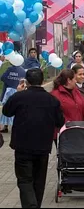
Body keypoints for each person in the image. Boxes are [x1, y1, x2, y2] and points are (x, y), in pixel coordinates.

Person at [2, 68, 65, 208]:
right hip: (43, 147)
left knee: (24, 180)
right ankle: (35, 204)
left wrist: (18, 92)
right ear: (42, 81)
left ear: (27, 82)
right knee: (39, 180)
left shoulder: (19, 97)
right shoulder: (52, 100)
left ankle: (30, 205)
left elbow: (6, 111)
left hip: (22, 146)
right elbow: (60, 121)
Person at [51, 69, 84, 147]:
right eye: (75, 79)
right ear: (69, 80)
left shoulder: (76, 91)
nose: (76, 81)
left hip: (79, 129)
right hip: (64, 132)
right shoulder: (55, 95)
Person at [0, 63, 26, 133]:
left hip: (9, 91)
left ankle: (5, 126)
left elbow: (2, 77)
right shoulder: (23, 71)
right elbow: (24, 81)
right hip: (19, 90)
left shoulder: (9, 69)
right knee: (18, 108)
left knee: (7, 107)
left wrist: (10, 83)